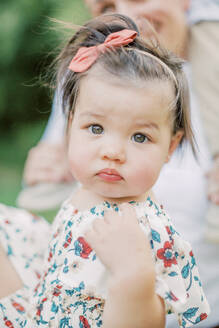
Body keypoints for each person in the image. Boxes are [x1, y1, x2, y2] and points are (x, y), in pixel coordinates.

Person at [0, 13, 210, 327]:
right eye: (95, 128)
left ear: (170, 147)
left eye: (140, 137)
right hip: (46, 307)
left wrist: (132, 274)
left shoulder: (147, 235)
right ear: (70, 127)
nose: (112, 152)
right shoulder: (92, 187)